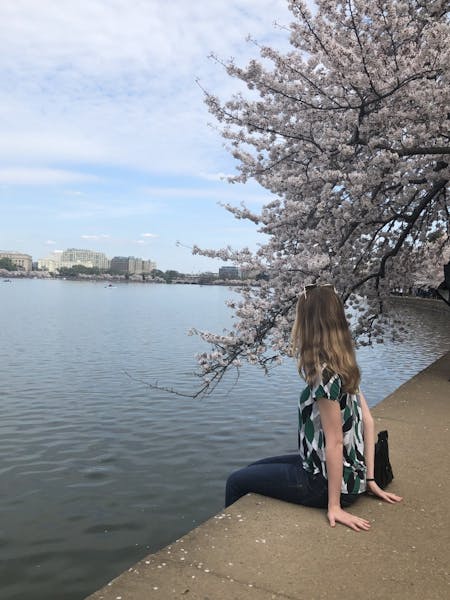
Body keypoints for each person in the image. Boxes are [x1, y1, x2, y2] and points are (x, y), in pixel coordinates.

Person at [225, 284, 402, 531]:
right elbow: (368, 421)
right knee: (251, 470)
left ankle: (233, 537)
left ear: (308, 323)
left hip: (321, 481)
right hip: (333, 470)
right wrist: (369, 479)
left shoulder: (324, 375)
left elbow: (336, 441)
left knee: (236, 481)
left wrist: (335, 506)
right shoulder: (344, 363)